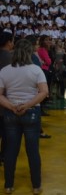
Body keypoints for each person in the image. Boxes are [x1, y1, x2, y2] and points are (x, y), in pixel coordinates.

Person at [0, 39, 48, 195]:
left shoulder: (5, 71)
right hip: (31, 112)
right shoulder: (36, 70)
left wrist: (12, 106)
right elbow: (43, 92)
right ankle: (36, 185)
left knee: (11, 150)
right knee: (32, 150)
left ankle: (8, 185)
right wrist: (27, 105)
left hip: (10, 113)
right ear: (29, 52)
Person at [0, 32, 14, 167]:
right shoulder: (7, 57)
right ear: (9, 42)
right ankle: (3, 156)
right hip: (3, 98)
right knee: (5, 131)